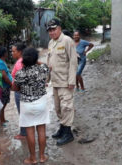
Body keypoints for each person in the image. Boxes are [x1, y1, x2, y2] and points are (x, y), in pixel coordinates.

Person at [12, 47, 50, 164]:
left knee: (30, 132)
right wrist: (35, 61)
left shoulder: (20, 73)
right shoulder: (43, 69)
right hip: (41, 103)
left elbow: (15, 88)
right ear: (35, 59)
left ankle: (33, 158)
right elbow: (45, 66)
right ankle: (42, 157)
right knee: (41, 130)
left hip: (26, 104)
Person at [47, 18, 78, 146]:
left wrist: (72, 80)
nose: (52, 32)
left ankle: (68, 133)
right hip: (55, 81)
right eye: (49, 30)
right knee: (58, 108)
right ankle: (62, 128)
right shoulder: (50, 43)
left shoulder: (67, 41)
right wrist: (46, 79)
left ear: (59, 28)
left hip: (65, 81)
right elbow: (49, 62)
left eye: (54, 29)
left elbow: (73, 61)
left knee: (66, 107)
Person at [11, 43, 27, 140]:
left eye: (14, 51)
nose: (12, 53)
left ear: (20, 52)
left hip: (20, 91)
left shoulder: (19, 63)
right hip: (23, 91)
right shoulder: (25, 61)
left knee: (22, 112)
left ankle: (24, 133)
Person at [0, 46, 12, 126]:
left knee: (3, 103)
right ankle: (1, 120)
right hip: (4, 86)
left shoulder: (1, 61)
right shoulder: (0, 62)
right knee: (3, 103)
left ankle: (2, 119)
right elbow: (4, 76)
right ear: (4, 54)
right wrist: (11, 84)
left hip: (4, 85)